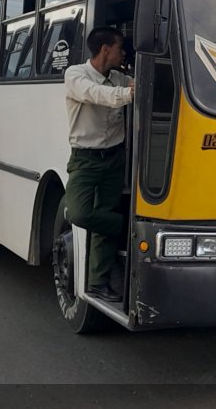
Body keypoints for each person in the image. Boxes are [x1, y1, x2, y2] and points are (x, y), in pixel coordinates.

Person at [62, 26, 134, 302]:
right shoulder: (75, 75)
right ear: (105, 49)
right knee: (78, 213)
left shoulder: (119, 77)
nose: (123, 52)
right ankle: (123, 224)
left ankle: (97, 282)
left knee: (103, 210)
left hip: (114, 158)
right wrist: (129, 93)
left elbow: (138, 84)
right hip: (85, 159)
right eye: (119, 47)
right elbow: (96, 95)